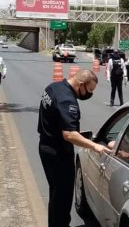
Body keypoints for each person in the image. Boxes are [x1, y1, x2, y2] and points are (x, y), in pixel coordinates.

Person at [37, 69, 110, 227]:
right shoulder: (68, 101)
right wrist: (94, 146)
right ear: (81, 84)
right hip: (58, 153)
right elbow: (69, 134)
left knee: (56, 194)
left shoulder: (53, 87)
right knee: (62, 196)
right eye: (89, 90)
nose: (90, 94)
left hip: (45, 146)